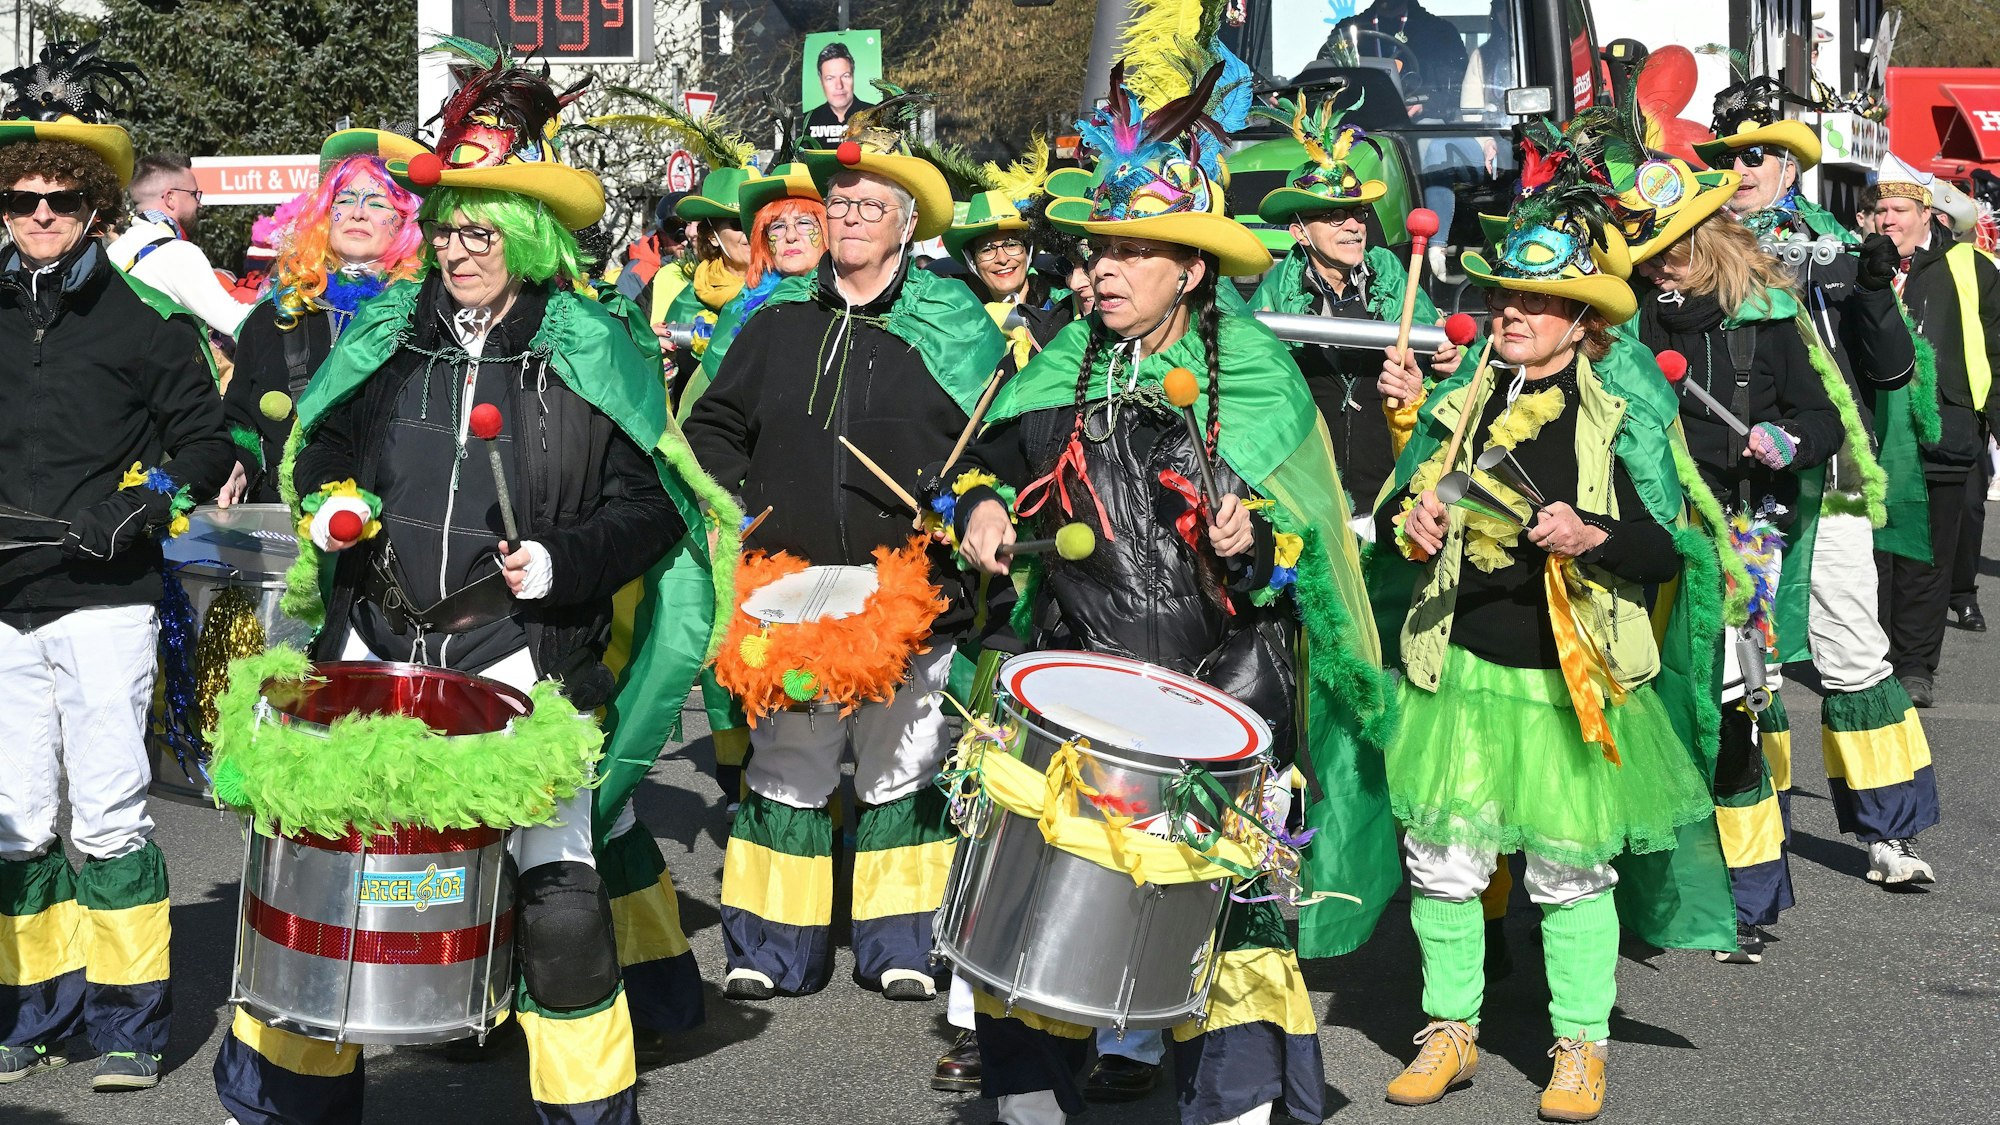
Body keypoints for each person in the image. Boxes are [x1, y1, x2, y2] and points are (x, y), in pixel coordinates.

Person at [209, 41, 732, 1125]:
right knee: (327, 874)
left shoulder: (590, 341)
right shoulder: (393, 336)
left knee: (559, 897)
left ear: (528, 235)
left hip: (526, 659)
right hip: (375, 644)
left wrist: (563, 561)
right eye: (445, 230)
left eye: (479, 231)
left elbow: (654, 506)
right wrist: (332, 509)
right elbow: (326, 448)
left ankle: (588, 1113)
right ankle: (286, 1109)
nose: (457, 250)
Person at [952, 65, 1400, 1125]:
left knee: (1224, 922)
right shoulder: (1064, 355)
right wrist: (976, 506)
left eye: (1130, 252)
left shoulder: (1249, 373)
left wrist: (1260, 540)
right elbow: (984, 465)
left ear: (1191, 271)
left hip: (1222, 683)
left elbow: (1303, 556)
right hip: (1083, 674)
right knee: (1037, 904)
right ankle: (1041, 1098)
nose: (1102, 272)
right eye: (1095, 250)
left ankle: (1231, 1108)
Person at [1372, 197, 1714, 1121]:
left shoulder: (1619, 413)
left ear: (1584, 322)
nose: (1511, 313)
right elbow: (1395, 511)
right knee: (1444, 855)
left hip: (1570, 682)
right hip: (1461, 673)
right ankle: (1449, 1030)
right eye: (1503, 298)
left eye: (1536, 300)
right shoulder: (1464, 399)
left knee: (1568, 868)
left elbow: (1665, 549)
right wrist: (1414, 520)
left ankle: (1578, 1048)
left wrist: (1590, 530)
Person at [683, 100, 1005, 1004]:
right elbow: (711, 423)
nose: (851, 218)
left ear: (909, 223)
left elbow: (993, 446)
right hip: (786, 583)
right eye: (841, 205)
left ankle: (901, 943)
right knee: (789, 761)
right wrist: (730, 502)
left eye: (871, 205)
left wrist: (970, 506)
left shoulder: (955, 322)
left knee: (903, 759)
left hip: (909, 586)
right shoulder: (775, 316)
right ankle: (773, 946)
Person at [0, 41, 233, 1092]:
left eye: (58, 202)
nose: (39, 217)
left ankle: (130, 1021)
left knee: (107, 813)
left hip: (104, 600)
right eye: (20, 201)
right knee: (17, 815)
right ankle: (33, 1012)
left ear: (95, 210)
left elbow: (211, 441)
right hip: (5, 602)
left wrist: (142, 506)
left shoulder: (144, 325)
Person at [1693, 88, 1944, 889]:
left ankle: (1888, 834)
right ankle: (1753, 846)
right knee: (1747, 664)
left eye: (1754, 156)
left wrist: (1872, 294)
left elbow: (1894, 369)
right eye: (1725, 157)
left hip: (1826, 478)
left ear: (1790, 163)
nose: (1739, 171)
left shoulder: (1835, 246)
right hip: (1737, 486)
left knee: (1851, 647)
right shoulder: (1694, 249)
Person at [1626, 157, 1844, 961]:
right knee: (1651, 703)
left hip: (1741, 538)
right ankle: (1653, 885)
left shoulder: (1768, 315)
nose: (1661, 262)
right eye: (1651, 250)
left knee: (1733, 707)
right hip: (1651, 531)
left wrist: (1786, 441)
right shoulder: (1634, 317)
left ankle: (1746, 895)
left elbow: (1823, 419)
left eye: (1675, 246)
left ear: (1710, 237)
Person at [1250, 93, 1460, 512]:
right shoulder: (1274, 291)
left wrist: (1448, 361)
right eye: (1333, 216)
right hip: (1312, 498)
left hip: (1389, 489)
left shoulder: (1394, 276)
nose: (1352, 225)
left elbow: (1447, 375)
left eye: (1359, 212)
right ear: (1298, 233)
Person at [216, 132, 427, 506]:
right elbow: (240, 419)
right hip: (282, 519)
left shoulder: (421, 315)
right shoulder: (280, 312)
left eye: (378, 202)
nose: (358, 212)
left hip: (384, 520)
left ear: (405, 220)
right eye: (345, 200)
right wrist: (241, 462)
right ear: (326, 216)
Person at [1874, 154, 2000, 705]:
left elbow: (1995, 351)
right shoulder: (1858, 268)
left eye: (1898, 209)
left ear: (1927, 213)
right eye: (1879, 210)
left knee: (1926, 558)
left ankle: (1916, 666)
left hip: (1943, 431)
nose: (1886, 220)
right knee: (1875, 557)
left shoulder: (1972, 269)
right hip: (1873, 436)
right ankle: (1872, 659)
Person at [106, 151, 253, 338]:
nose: (199, 204)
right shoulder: (177, 253)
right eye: (194, 194)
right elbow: (236, 321)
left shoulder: (114, 251)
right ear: (170, 198)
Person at [1319, 0, 1467, 119]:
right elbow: (1326, 84)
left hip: (1418, 125)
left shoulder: (1440, 32)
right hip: (1359, 122)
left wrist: (1424, 107)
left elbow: (1457, 89)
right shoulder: (1347, 30)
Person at [805, 41, 878, 144]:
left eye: (845, 76)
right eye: (830, 78)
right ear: (821, 81)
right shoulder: (809, 121)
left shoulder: (875, 115)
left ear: (853, 76)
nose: (839, 85)